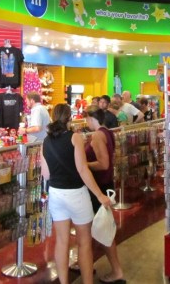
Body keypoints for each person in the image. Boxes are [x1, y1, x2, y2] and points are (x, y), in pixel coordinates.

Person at [40, 103, 112, 284]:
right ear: (69, 118)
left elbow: (46, 174)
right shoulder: (75, 138)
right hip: (77, 194)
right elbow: (83, 169)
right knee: (84, 243)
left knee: (61, 242)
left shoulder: (45, 142)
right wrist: (99, 195)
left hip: (56, 194)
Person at [84, 105, 126, 284]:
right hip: (104, 185)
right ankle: (85, 261)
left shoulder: (97, 135)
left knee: (103, 229)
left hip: (99, 187)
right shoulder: (108, 132)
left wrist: (83, 164)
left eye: (86, 119)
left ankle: (117, 271)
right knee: (96, 227)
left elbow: (103, 164)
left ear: (91, 118)